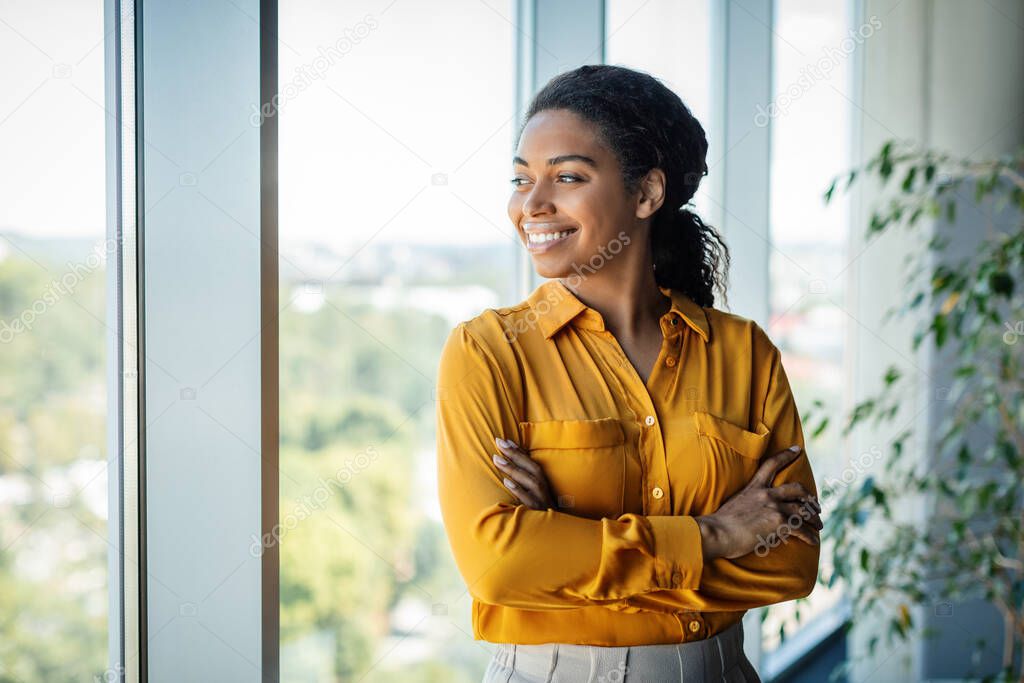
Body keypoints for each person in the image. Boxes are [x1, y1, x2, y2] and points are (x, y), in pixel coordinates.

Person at [435, 64, 821, 682]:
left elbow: (791, 562)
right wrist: (717, 534)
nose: (531, 205)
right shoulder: (488, 352)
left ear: (646, 194)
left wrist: (567, 539)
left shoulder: (745, 353)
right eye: (520, 178)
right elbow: (499, 568)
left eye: (566, 177)